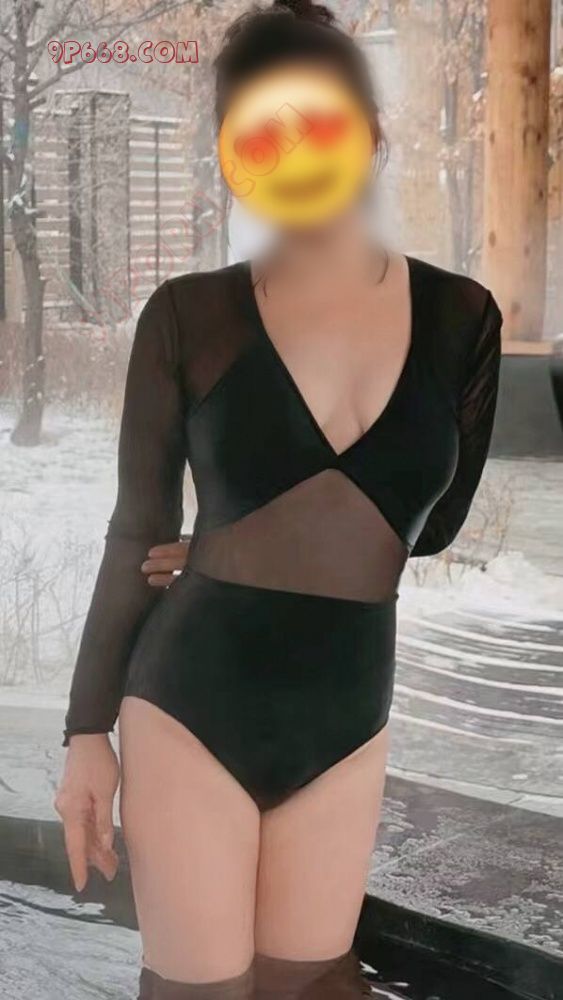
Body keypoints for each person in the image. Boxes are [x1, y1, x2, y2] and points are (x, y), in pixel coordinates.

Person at [55, 2, 502, 997]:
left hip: (343, 724)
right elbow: (134, 534)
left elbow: (431, 529)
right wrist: (87, 735)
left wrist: (254, 536)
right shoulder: (188, 315)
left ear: (369, 135)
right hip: (189, 707)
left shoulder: (462, 318)